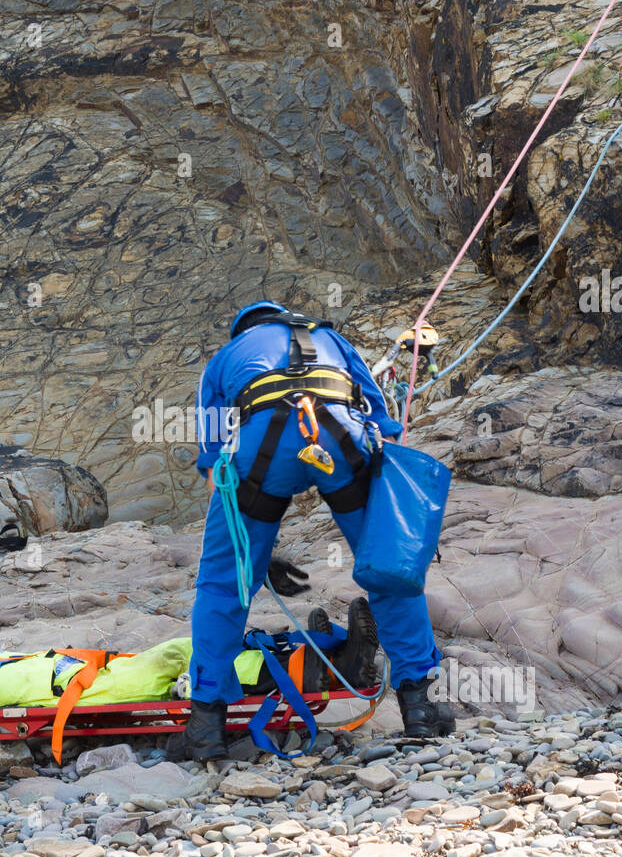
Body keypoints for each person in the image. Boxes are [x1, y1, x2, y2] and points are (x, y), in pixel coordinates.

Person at [169, 301, 453, 761]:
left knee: (223, 584)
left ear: (243, 331)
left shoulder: (225, 358)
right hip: (341, 435)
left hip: (261, 444)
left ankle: (205, 727)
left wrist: (257, 553)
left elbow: (212, 457)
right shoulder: (331, 339)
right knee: (389, 568)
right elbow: (384, 422)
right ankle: (419, 709)